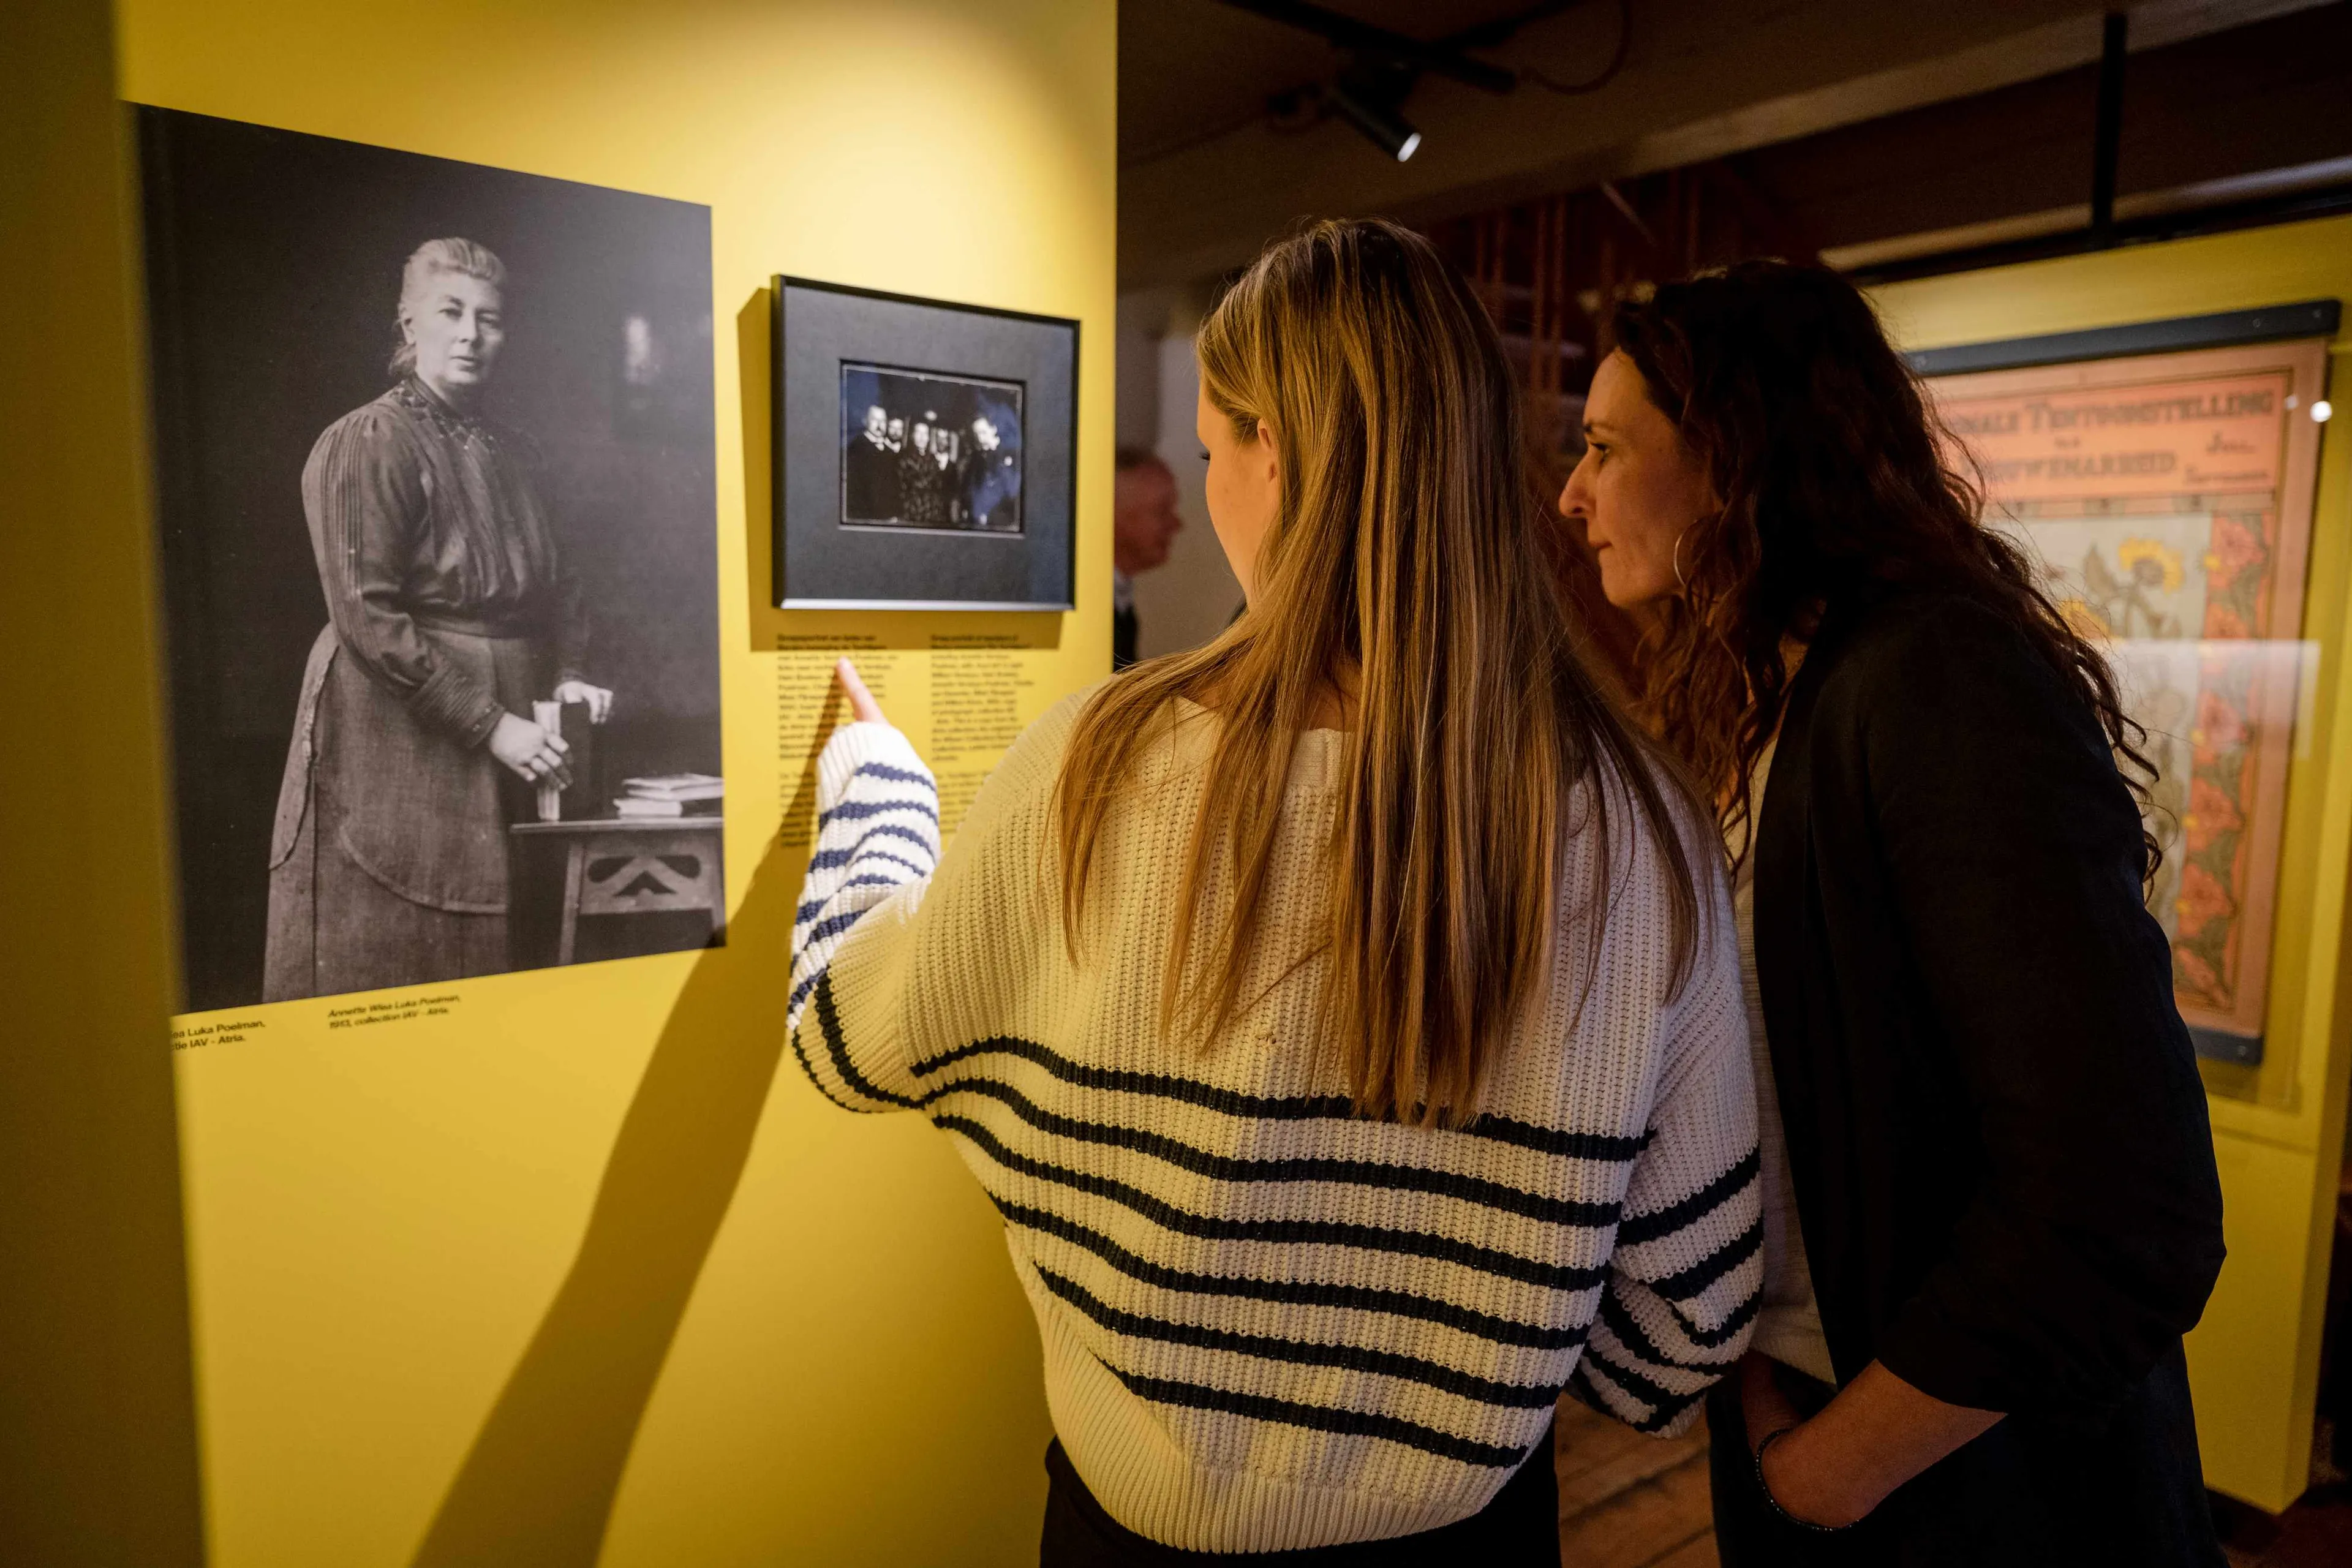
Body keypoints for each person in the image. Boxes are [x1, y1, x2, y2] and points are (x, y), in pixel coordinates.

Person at [785, 218, 1762, 1564]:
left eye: (1207, 448)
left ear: (1277, 454)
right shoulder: (1645, 831)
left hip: (1131, 1534)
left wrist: (877, 787)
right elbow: (1683, 1335)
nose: (1209, 482)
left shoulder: (1097, 767)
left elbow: (846, 1033)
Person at [1557, 260, 2227, 1564]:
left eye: (1603, 447)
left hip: (1977, 1492)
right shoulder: (1794, 693)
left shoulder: (1933, 682)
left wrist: (1825, 1474)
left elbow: (2119, 1203)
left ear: (1734, 457)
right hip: (1836, 1427)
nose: (1569, 494)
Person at [264, 237, 614, 999]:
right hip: (401, 732)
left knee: (510, 954)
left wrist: (575, 677)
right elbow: (366, 618)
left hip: (522, 724)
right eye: (450, 313)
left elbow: (567, 586)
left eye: (489, 319)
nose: (471, 334)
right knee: (402, 960)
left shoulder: (517, 451)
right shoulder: (367, 441)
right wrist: (492, 724)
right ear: (409, 323)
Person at [1110, 447, 1183, 669]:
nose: (1177, 525)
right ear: (1111, 512)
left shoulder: (1119, 597)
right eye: (1161, 511)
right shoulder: (1087, 609)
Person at [960, 408, 1021, 532]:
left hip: (999, 526)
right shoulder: (976, 458)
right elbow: (970, 489)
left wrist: (990, 516)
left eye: (983, 432)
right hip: (975, 523)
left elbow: (1013, 494)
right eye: (976, 434)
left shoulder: (1011, 455)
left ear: (994, 429)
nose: (980, 438)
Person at [845, 401, 899, 521]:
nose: (880, 425)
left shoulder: (889, 452)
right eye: (875, 420)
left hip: (887, 518)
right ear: (865, 421)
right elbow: (853, 490)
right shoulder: (857, 447)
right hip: (865, 517)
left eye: (883, 421)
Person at [898, 415, 950, 527]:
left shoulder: (933, 459)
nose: (922, 437)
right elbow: (911, 485)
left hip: (934, 514)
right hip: (914, 513)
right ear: (912, 435)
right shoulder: (905, 459)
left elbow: (940, 486)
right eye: (919, 433)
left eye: (925, 434)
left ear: (929, 438)